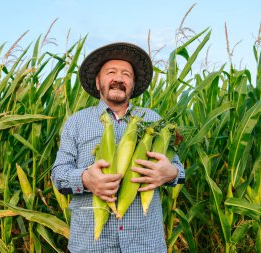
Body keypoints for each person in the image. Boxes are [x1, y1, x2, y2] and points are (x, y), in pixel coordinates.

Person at [51, 42, 185, 253]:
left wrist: (170, 173)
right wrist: (86, 179)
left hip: (145, 244)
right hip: (90, 245)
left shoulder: (153, 120)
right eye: (110, 72)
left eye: (126, 74)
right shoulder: (76, 122)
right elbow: (58, 175)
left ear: (132, 85)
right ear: (97, 82)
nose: (119, 78)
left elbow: (178, 168)